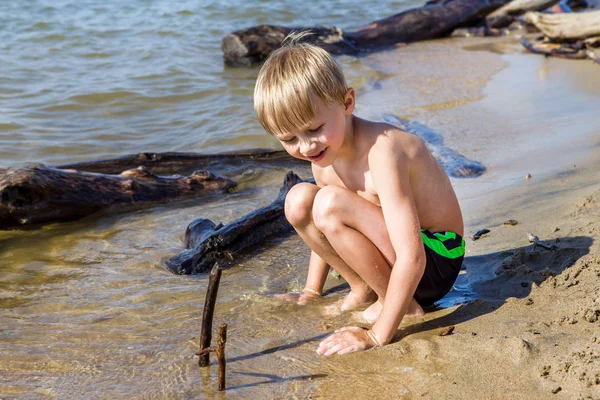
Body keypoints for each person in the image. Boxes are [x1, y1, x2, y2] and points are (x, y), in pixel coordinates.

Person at [253, 34, 465, 355]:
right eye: (289, 138)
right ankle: (363, 289)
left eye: (313, 129)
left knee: (328, 203)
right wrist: (312, 291)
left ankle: (401, 306)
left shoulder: (383, 152)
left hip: (435, 261)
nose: (307, 146)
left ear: (348, 102)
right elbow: (323, 226)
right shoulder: (324, 156)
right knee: (298, 200)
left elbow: (413, 256)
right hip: (400, 257)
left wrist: (377, 336)